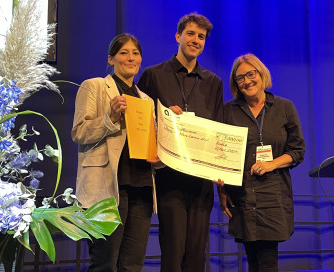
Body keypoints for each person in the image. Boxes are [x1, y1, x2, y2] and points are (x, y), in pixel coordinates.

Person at [137, 12, 223, 272]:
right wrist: (163, 121)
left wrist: (220, 170)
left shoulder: (214, 82)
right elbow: (142, 123)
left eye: (201, 36)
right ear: (178, 36)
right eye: (190, 34)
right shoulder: (153, 75)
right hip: (169, 177)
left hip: (201, 180)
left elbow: (218, 128)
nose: (195, 40)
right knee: (173, 252)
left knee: (197, 254)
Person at [72, 33, 157, 272]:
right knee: (104, 263)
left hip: (141, 187)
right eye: (124, 53)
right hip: (106, 188)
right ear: (111, 59)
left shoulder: (146, 100)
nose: (131, 58)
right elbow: (79, 132)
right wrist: (110, 118)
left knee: (132, 265)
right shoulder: (95, 86)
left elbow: (151, 148)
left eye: (136, 53)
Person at [217, 53, 305, 272]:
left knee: (266, 261)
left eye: (251, 74)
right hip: (243, 194)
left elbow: (297, 150)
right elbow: (221, 154)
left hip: (273, 194)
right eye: (240, 78)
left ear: (261, 73)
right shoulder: (228, 111)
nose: (247, 81)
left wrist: (271, 164)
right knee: (253, 261)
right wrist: (221, 189)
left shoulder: (285, 108)